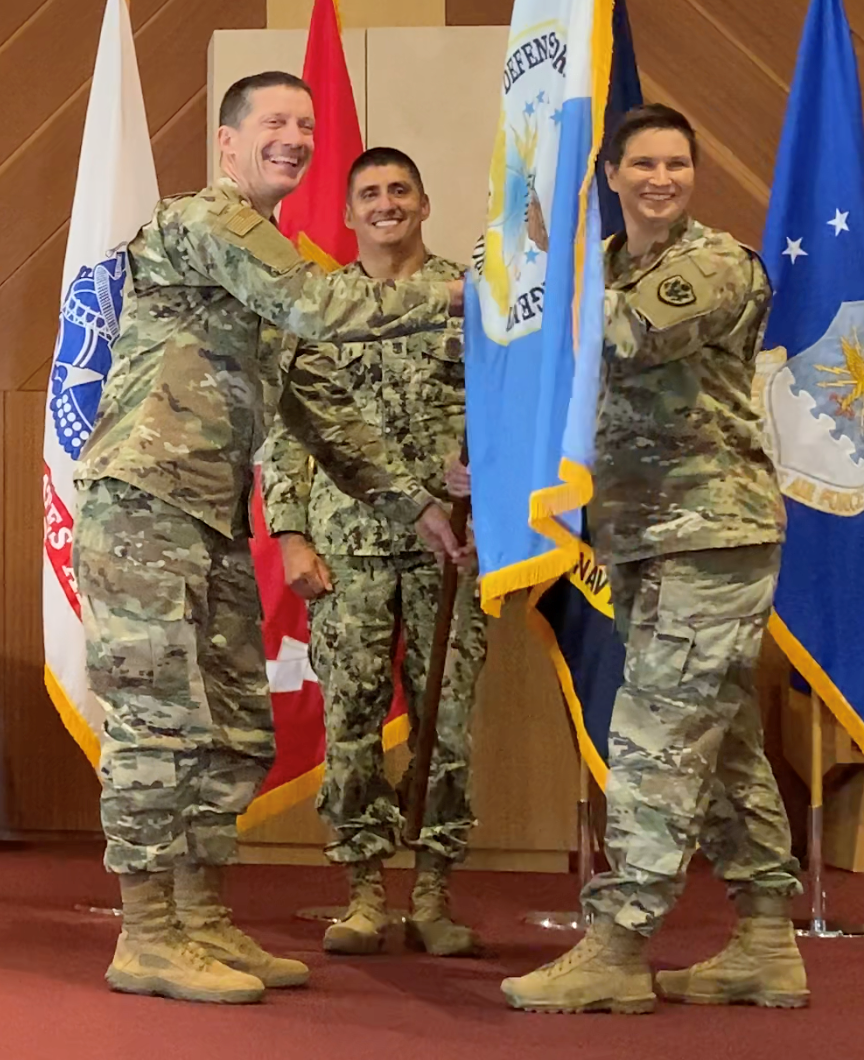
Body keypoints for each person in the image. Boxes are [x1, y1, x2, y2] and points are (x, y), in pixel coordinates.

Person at [72, 71, 469, 1006]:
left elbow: (321, 405)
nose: (294, 137)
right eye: (275, 123)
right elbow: (325, 309)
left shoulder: (271, 261)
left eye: (306, 124)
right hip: (142, 507)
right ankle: (147, 933)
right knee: (157, 728)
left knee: (234, 728)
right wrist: (465, 299)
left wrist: (413, 504)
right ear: (228, 142)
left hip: (209, 517)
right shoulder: (205, 224)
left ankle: (202, 919)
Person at [501, 104, 808, 1014]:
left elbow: (619, 338)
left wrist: (538, 270)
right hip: (638, 537)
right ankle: (764, 940)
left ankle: (619, 943)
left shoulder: (712, 265)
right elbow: (556, 378)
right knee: (718, 742)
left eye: (677, 162)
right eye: (643, 163)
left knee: (654, 737)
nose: (660, 178)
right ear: (612, 175)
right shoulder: (597, 267)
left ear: (693, 174)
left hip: (712, 533)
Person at [260, 148, 485, 958]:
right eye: (369, 195)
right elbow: (287, 427)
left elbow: (512, 410)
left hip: (451, 545)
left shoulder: (476, 300)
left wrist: (487, 477)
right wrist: (289, 535)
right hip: (344, 545)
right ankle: (362, 892)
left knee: (444, 723)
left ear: (425, 204)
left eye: (400, 191)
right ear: (348, 215)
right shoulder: (320, 306)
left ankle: (433, 893)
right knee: (351, 721)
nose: (386, 204)